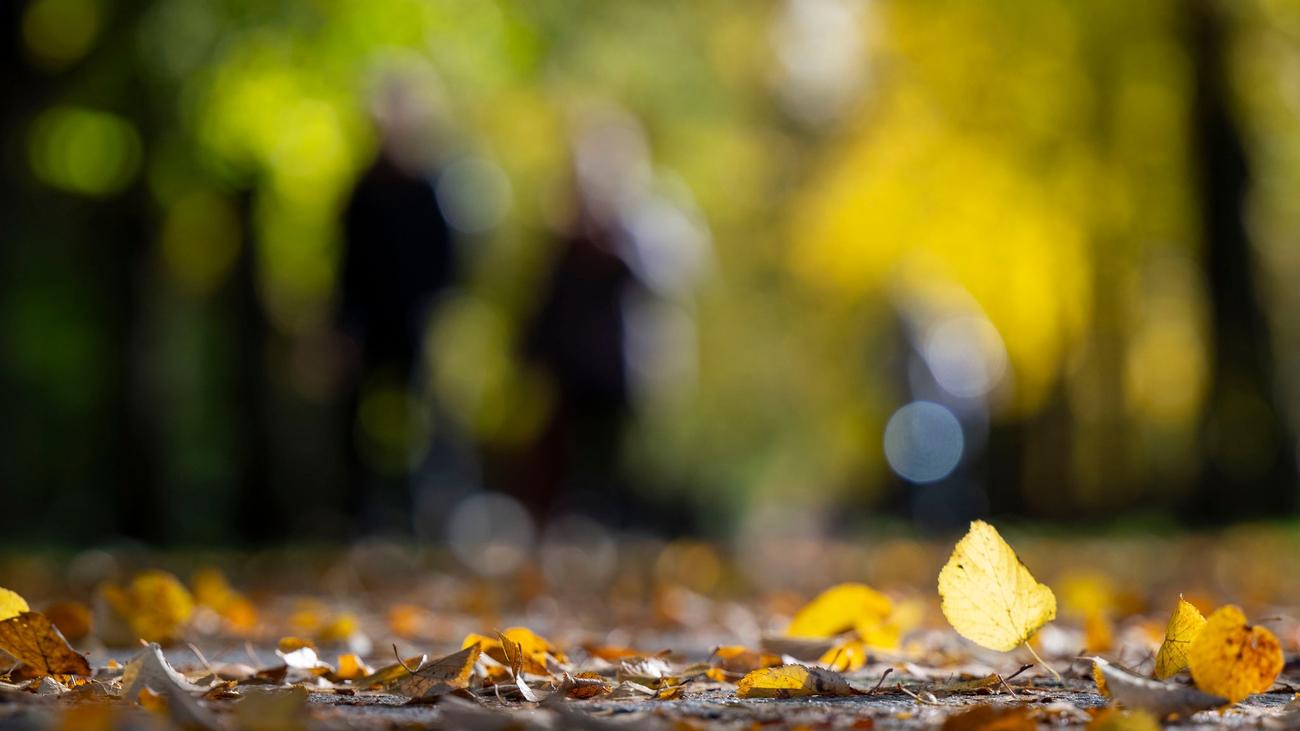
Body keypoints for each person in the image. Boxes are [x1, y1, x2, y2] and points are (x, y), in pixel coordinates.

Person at [336, 73, 457, 536]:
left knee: (418, 416)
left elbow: (445, 263)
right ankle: (362, 509)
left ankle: (416, 507)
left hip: (413, 322)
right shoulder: (361, 189)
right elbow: (345, 264)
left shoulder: (428, 190)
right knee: (358, 417)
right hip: (366, 323)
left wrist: (433, 312)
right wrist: (342, 325)